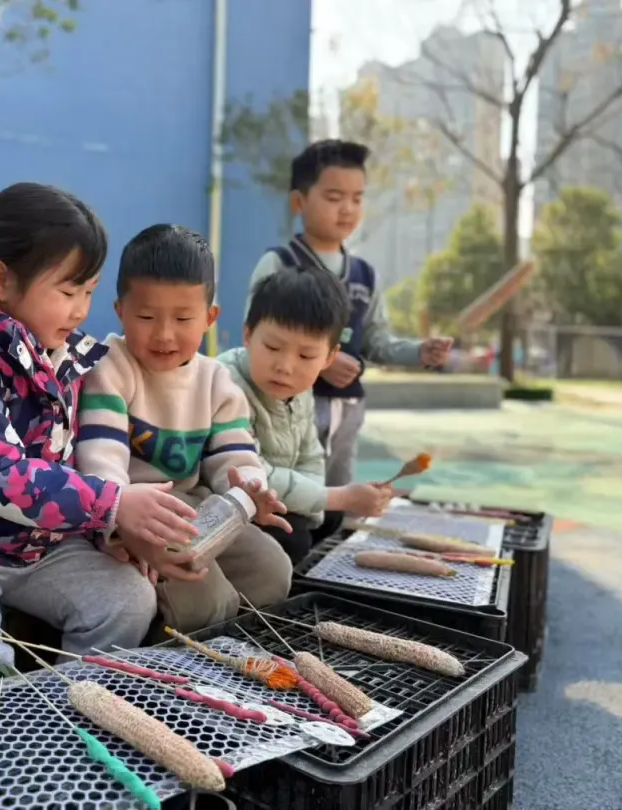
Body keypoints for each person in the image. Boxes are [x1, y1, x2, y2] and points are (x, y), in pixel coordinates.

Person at [0, 183, 195, 698]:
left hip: (45, 545)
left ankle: (70, 710)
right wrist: (112, 505)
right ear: (1, 279)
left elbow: (76, 455)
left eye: (89, 292)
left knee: (127, 600)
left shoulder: (60, 350)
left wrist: (110, 531)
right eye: (68, 292)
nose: (81, 309)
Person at [76, 224, 293, 636]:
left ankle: (227, 637)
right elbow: (101, 459)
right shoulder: (110, 368)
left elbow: (236, 454)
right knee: (205, 599)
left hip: (198, 508)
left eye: (182, 318)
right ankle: (169, 644)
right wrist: (120, 520)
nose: (163, 334)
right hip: (136, 512)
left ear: (210, 317)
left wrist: (250, 488)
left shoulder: (215, 381)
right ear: (121, 311)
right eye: (146, 317)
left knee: (271, 571)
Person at [245, 139, 452, 520]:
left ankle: (331, 542)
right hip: (292, 403)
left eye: (357, 198)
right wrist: (320, 364)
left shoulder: (365, 275)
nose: (348, 209)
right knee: (292, 491)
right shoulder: (279, 263)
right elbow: (257, 339)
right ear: (299, 202)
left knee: (340, 488)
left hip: (350, 406)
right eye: (334, 197)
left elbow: (376, 339)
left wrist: (417, 352)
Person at [219, 270, 392, 566]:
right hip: (232, 500)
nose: (285, 367)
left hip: (278, 497)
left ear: (329, 357)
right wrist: (335, 497)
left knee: (329, 517)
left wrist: (322, 500)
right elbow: (251, 471)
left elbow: (310, 455)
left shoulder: (301, 390)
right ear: (247, 335)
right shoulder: (225, 382)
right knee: (297, 536)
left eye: (306, 356)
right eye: (273, 347)